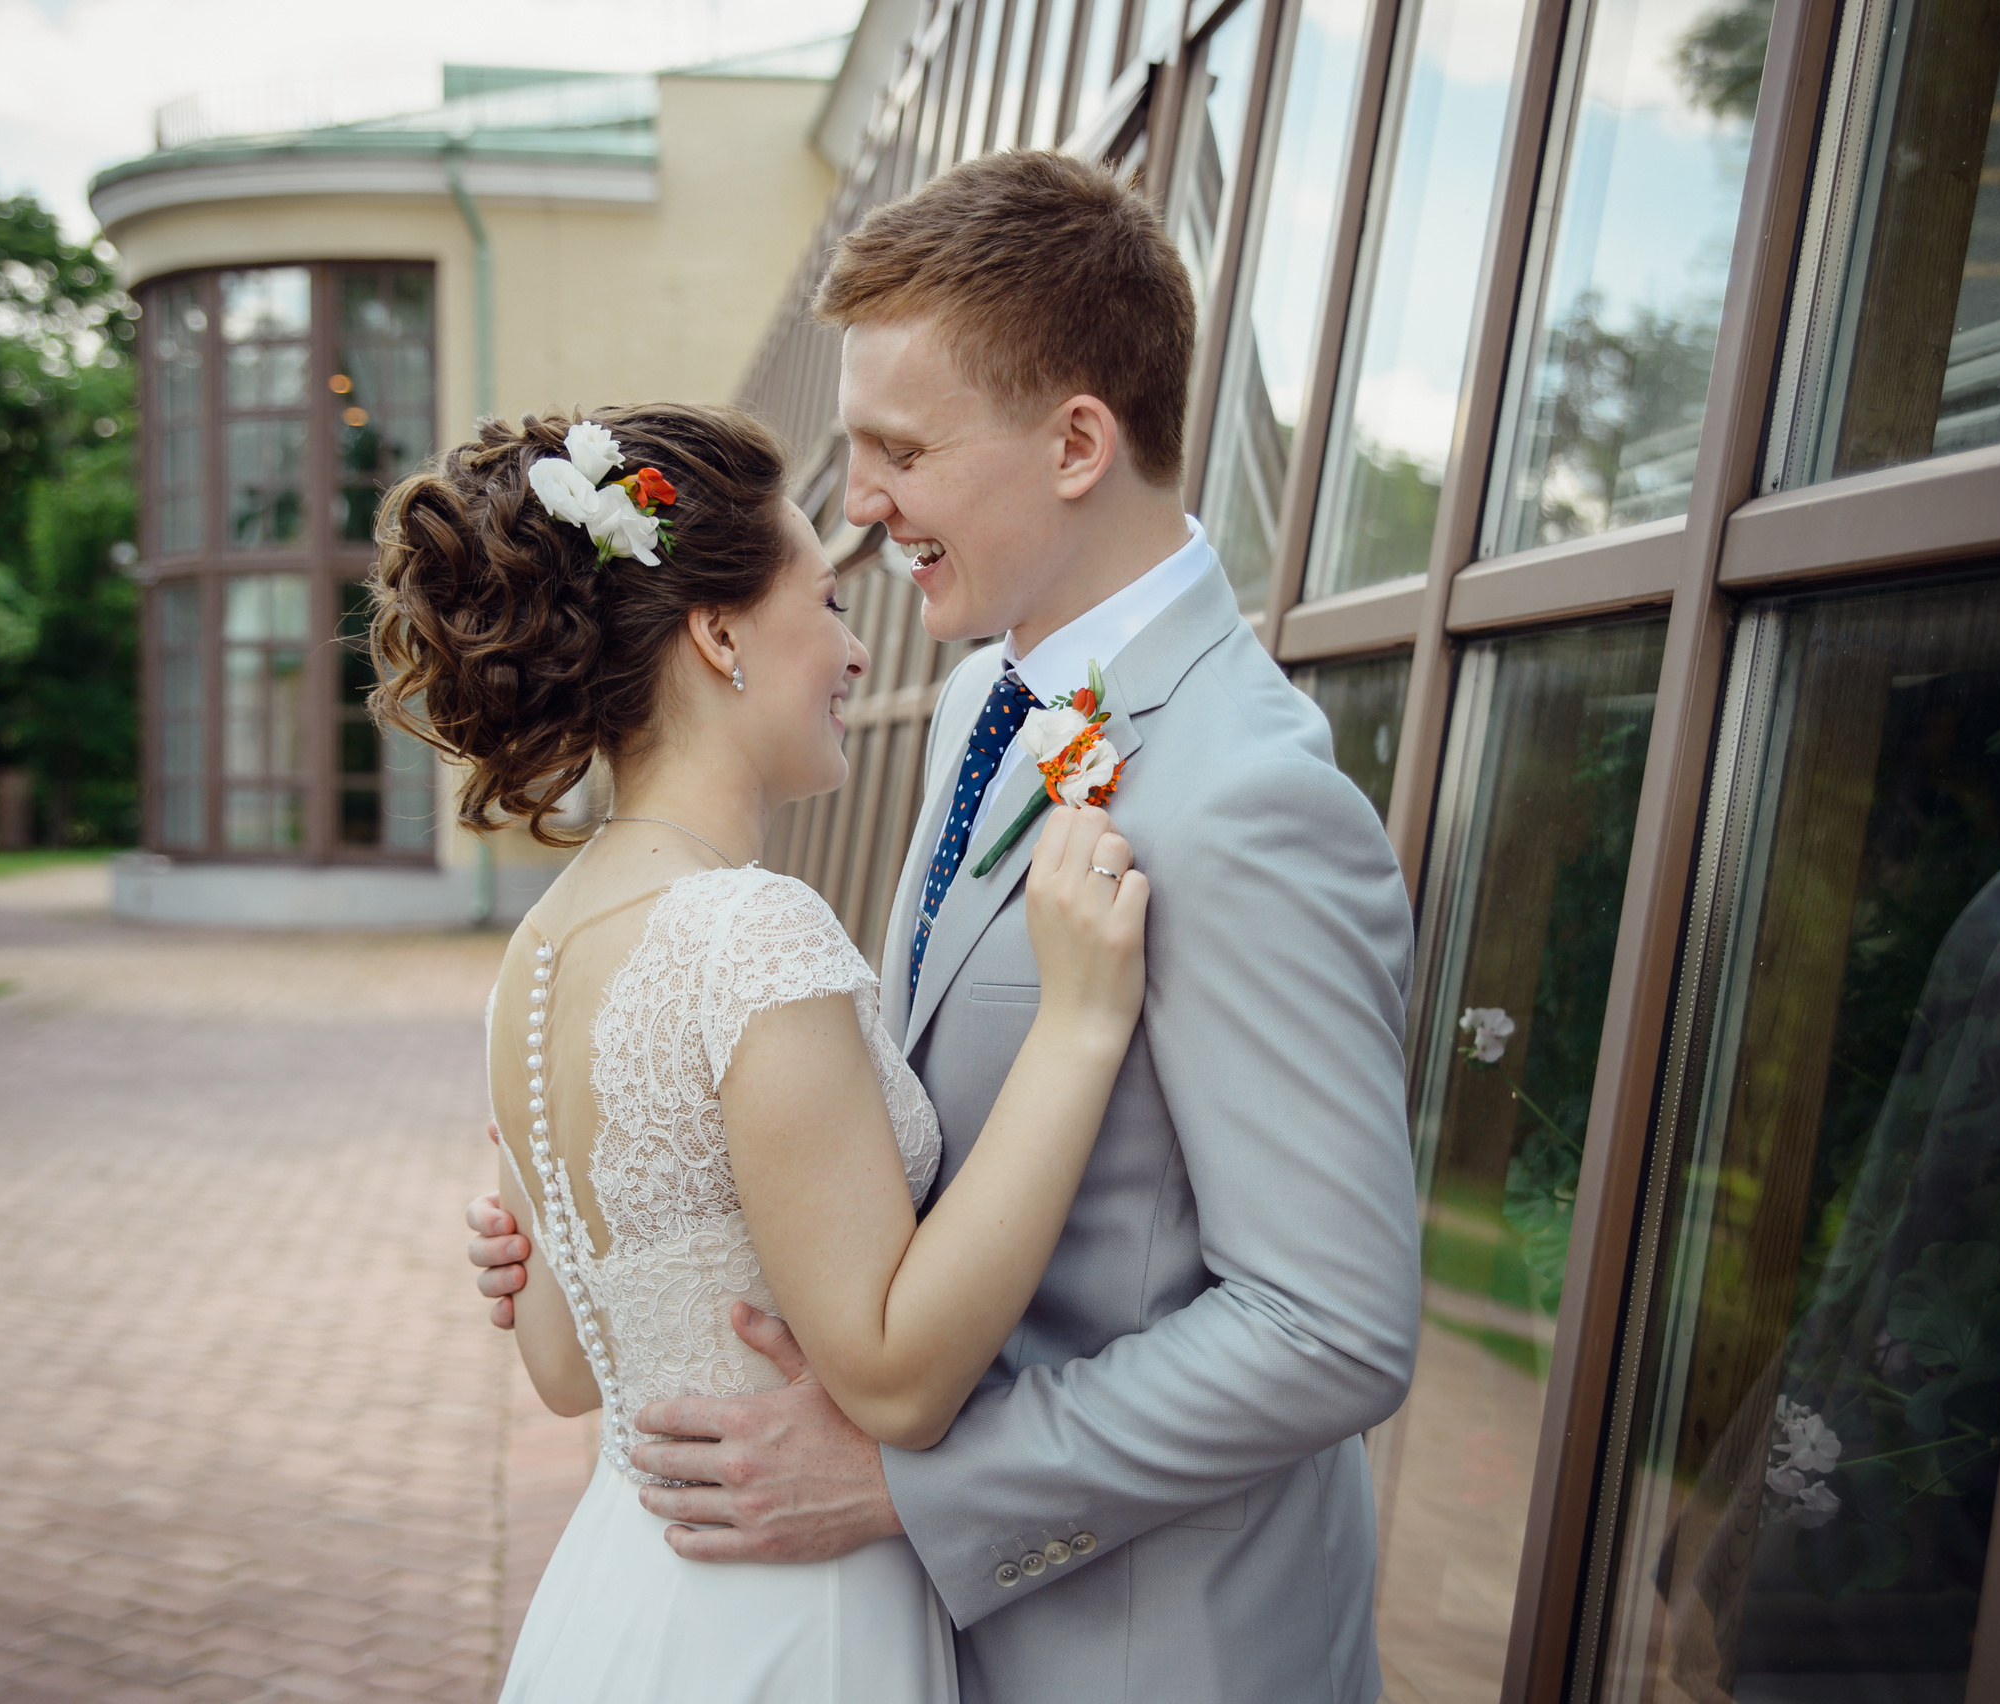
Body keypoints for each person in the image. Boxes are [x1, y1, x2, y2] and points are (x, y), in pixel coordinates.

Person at [467, 150, 1421, 1701]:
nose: (863, 509)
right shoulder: (986, 697)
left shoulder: (1252, 801)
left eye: (900, 449)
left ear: (1075, 443)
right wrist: (613, 1238)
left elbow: (1330, 1328)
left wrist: (917, 1492)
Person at [370, 400, 1151, 1702]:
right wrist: (1078, 1026)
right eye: (830, 601)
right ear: (720, 632)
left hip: (622, 1599)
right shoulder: (746, 930)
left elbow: (570, 1374)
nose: (855, 652)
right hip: (789, 1623)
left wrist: (536, 1249)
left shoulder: (540, 951)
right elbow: (895, 1378)